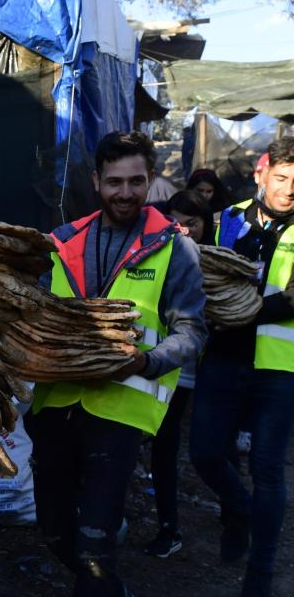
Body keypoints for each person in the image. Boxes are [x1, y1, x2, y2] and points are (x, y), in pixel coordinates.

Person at [30, 131, 207, 596]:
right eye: (114, 182)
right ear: (96, 181)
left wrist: (145, 361)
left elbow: (193, 331)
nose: (124, 193)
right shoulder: (64, 242)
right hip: (56, 406)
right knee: (52, 530)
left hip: (120, 413)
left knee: (93, 551)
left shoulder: (175, 247)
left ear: (150, 180)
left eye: (136, 181)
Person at [189, 136, 294, 597]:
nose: (290, 190)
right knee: (205, 454)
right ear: (261, 173)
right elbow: (205, 275)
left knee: (269, 469)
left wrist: (240, 308)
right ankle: (239, 511)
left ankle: (260, 575)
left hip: (279, 367)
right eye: (283, 179)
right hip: (224, 358)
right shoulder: (228, 220)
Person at [141, 190, 212, 559]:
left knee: (166, 449)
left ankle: (170, 528)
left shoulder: (211, 262)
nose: (184, 229)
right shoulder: (157, 250)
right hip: (151, 366)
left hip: (183, 375)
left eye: (193, 222)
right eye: (177, 220)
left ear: (206, 224)